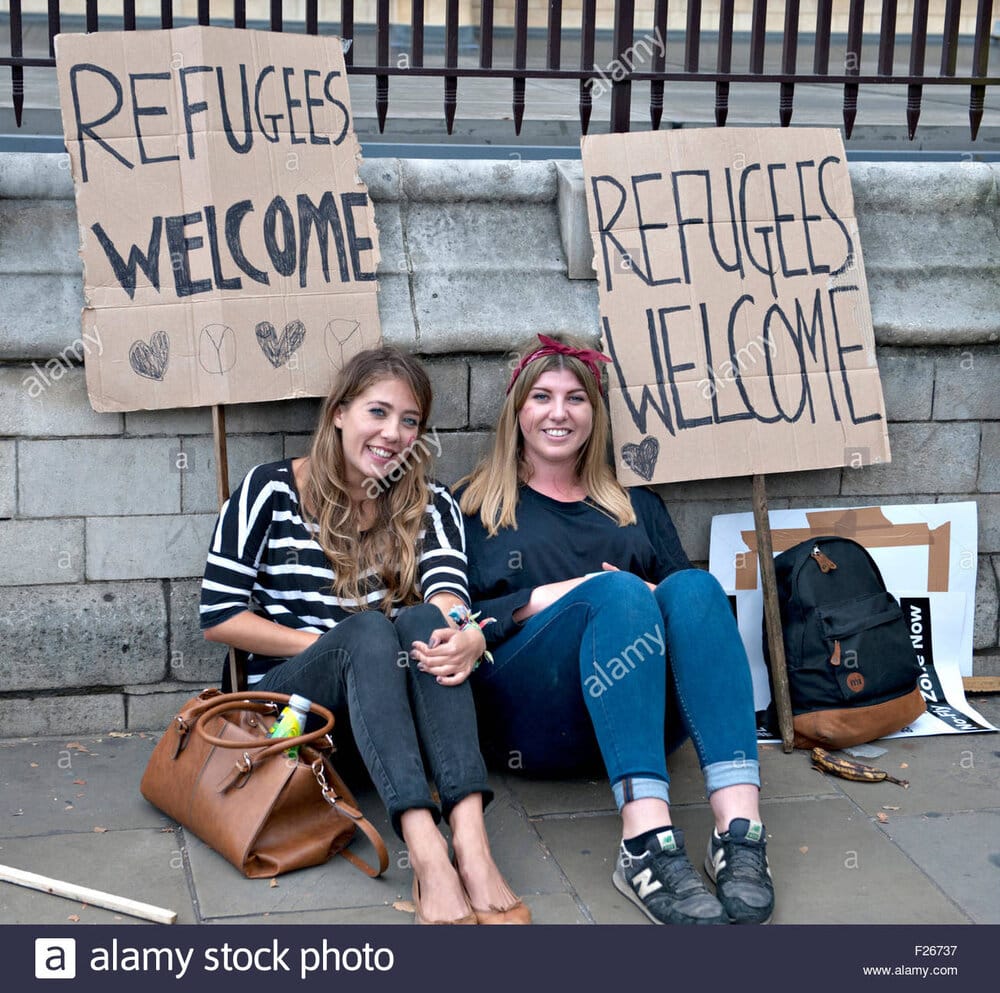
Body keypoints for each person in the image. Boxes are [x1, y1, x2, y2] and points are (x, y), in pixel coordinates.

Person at [200, 346, 529, 926]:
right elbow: (219, 616)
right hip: (290, 724)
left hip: (376, 730)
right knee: (371, 633)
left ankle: (472, 845)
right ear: (339, 413)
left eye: (410, 422)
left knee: (424, 622)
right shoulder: (267, 491)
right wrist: (335, 649)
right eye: (378, 412)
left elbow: (448, 592)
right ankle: (427, 851)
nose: (393, 433)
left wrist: (468, 634)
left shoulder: (430, 500)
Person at [454, 333, 774, 925]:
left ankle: (739, 832)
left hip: (642, 721)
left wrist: (650, 596)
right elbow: (456, 622)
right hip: (532, 719)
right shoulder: (471, 507)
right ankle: (645, 844)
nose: (559, 412)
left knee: (697, 587)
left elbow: (691, 611)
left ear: (594, 414)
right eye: (542, 397)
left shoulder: (633, 504)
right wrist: (569, 593)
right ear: (516, 410)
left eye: (576, 398)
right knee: (620, 592)